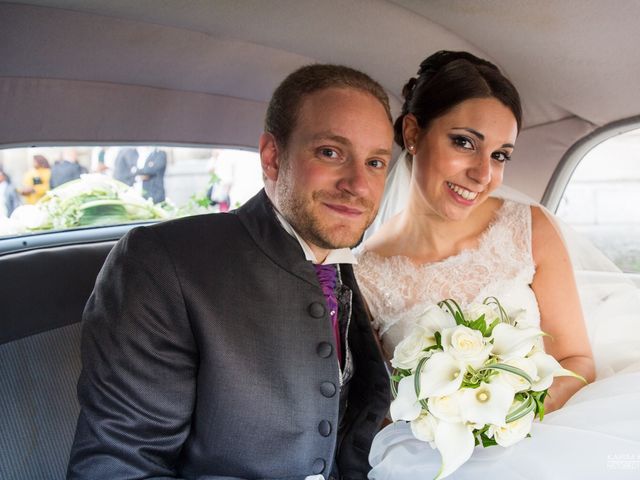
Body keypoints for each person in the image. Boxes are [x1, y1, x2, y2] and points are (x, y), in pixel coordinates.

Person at [67, 64, 394, 479]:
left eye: (376, 163)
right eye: (331, 152)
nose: (359, 185)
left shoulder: (357, 264)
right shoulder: (164, 262)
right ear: (273, 157)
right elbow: (121, 464)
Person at [355, 51, 640, 479]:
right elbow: (383, 407)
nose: (482, 173)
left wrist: (507, 421)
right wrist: (457, 429)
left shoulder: (528, 228)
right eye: (464, 143)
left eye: (500, 155)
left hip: (553, 430)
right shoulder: (364, 273)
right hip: (439, 459)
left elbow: (577, 360)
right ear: (413, 133)